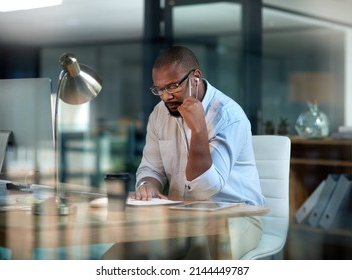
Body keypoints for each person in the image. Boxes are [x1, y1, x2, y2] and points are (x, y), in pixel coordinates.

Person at [102, 45, 265, 260]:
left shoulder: (228, 116)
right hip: (182, 214)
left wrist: (198, 129)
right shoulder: (159, 114)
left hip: (237, 215)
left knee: (201, 256)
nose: (165, 96)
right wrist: (147, 185)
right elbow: (151, 168)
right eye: (159, 89)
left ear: (195, 77)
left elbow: (206, 188)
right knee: (119, 256)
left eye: (172, 86)